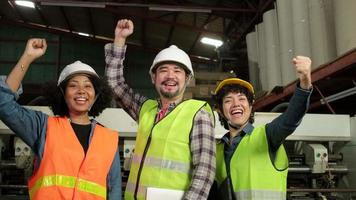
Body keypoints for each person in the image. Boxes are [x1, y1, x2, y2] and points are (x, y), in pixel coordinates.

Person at [105, 19, 216, 200]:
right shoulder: (146, 109)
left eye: (177, 71)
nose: (170, 76)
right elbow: (114, 84)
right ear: (153, 78)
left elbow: (204, 172)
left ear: (187, 79)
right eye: (163, 70)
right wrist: (119, 40)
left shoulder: (198, 113)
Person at [0, 38, 122, 199]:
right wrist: (27, 57)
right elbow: (3, 103)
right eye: (73, 85)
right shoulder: (43, 127)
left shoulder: (108, 138)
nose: (81, 91)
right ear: (62, 94)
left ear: (96, 95)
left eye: (87, 86)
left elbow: (114, 191)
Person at [210, 56, 313, 200]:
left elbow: (291, 118)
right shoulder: (216, 150)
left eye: (241, 99)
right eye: (228, 100)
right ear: (220, 110)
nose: (235, 104)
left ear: (250, 106)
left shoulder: (267, 135)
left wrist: (305, 82)